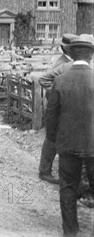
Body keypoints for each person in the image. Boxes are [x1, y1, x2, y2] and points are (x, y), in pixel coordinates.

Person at [45, 34, 94, 237]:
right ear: (91, 55)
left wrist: (55, 139)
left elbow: (51, 116)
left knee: (67, 187)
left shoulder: (60, 80)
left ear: (71, 55)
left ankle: (70, 232)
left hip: (67, 143)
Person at [37, 34, 77, 185]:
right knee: (51, 139)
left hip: (65, 108)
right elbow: (46, 81)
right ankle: (45, 171)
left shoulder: (71, 63)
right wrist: (59, 94)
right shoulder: (61, 64)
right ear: (66, 48)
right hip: (57, 108)